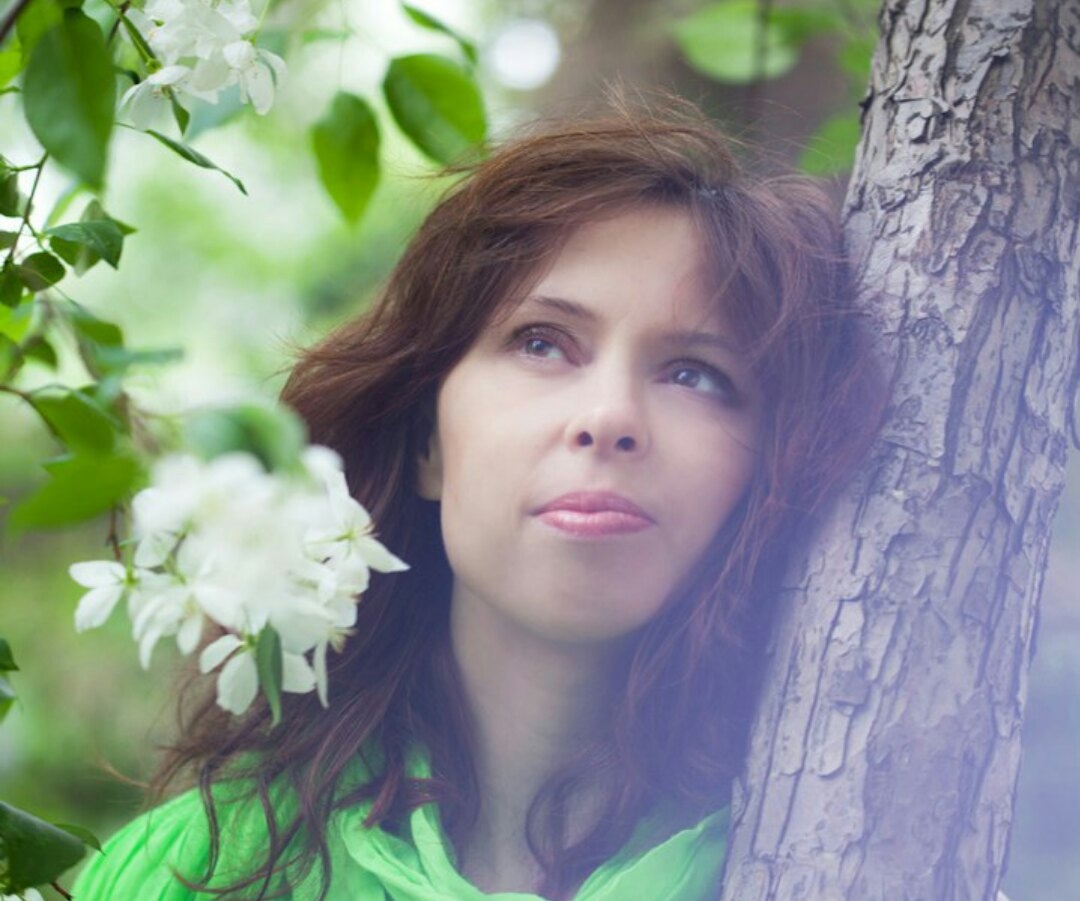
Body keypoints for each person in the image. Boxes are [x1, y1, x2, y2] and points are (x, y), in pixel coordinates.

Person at [73, 97, 882, 900]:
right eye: (542, 342)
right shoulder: (189, 870)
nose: (610, 418)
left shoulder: (854, 862)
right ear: (426, 441)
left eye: (694, 374)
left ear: (766, 471)